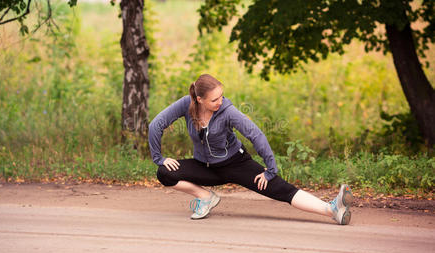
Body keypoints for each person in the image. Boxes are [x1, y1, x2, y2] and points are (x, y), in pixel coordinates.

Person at [148, 74, 353, 224]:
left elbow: (256, 135)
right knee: (164, 173)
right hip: (205, 167)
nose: (221, 101)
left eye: (222, 96)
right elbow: (155, 125)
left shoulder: (228, 111)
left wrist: (270, 170)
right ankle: (205, 197)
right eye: (214, 99)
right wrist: (159, 158)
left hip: (236, 164)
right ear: (199, 99)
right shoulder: (187, 104)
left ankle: (332, 209)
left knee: (281, 189)